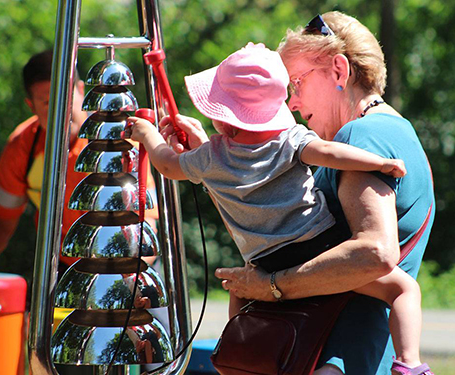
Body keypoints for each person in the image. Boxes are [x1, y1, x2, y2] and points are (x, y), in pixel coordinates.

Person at [124, 41, 433, 375]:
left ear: (223, 119)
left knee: (242, 292)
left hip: (263, 259)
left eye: (298, 83)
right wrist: (381, 163)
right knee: (403, 288)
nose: (295, 102)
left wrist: (148, 134)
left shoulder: (211, 157)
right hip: (315, 247)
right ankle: (410, 363)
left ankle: (240, 358)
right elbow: (331, 153)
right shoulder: (290, 141)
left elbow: (169, 166)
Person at [207, 13, 435, 375]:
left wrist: (272, 287)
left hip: (336, 356)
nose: (292, 104)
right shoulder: (400, 134)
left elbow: (375, 252)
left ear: (339, 71)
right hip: (362, 355)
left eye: (296, 84)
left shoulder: (361, 136)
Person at [0, 50, 157, 276]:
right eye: (48, 102)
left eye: (65, 99)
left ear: (80, 90)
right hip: (62, 268)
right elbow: (0, 223)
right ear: (31, 106)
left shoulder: (119, 142)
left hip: (127, 267)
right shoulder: (22, 147)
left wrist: (127, 281)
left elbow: (146, 226)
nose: (60, 112)